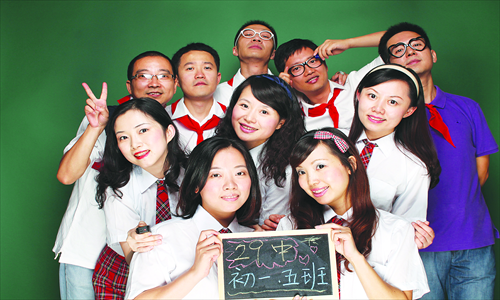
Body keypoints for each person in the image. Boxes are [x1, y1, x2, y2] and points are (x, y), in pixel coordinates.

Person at [378, 22, 498, 299]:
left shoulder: (467, 107)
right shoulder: (386, 117)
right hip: (415, 245)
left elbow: (481, 173)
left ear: (432, 54)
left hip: (473, 241)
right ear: (389, 65)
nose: (409, 51)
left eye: (416, 44)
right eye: (398, 49)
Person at [53, 51, 177, 299]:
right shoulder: (103, 118)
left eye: (163, 75)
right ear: (129, 85)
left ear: (175, 84)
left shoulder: (172, 126)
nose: (154, 82)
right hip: (88, 246)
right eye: (144, 75)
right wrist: (96, 127)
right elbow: (67, 175)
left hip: (142, 253)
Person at [277, 128, 429, 299]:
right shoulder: (290, 227)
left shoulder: (396, 229)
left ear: (351, 165)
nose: (311, 180)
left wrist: (355, 258)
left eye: (320, 166)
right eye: (301, 172)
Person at [125, 137, 261, 299]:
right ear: (196, 184)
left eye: (240, 173)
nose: (230, 184)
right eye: (216, 175)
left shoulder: (259, 240)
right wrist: (196, 272)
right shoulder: (161, 238)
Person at [92, 98, 187, 299]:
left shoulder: (195, 175)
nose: (135, 144)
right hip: (125, 275)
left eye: (143, 130)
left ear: (168, 132)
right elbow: (131, 257)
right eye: (123, 137)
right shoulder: (118, 187)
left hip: (186, 268)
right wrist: (136, 244)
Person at [348, 64, 440, 234]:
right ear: (359, 95)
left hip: (370, 257)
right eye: (372, 95)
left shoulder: (414, 167)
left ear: (409, 111)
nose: (378, 108)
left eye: (392, 102)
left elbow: (404, 230)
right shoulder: (329, 141)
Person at [216, 74, 305, 227]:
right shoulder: (217, 146)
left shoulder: (284, 169)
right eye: (244, 105)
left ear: (280, 123)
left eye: (264, 112)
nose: (249, 118)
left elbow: (266, 228)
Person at [274, 36, 383, 132]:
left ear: (325, 65)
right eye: (297, 68)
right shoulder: (293, 116)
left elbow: (397, 39)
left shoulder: (355, 83)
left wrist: (348, 43)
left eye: (312, 61)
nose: (309, 71)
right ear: (289, 79)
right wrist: (281, 90)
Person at [166, 43, 224, 152]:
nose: (200, 75)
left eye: (207, 67)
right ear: (176, 80)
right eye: (190, 68)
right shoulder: (162, 118)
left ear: (218, 78)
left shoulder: (234, 118)